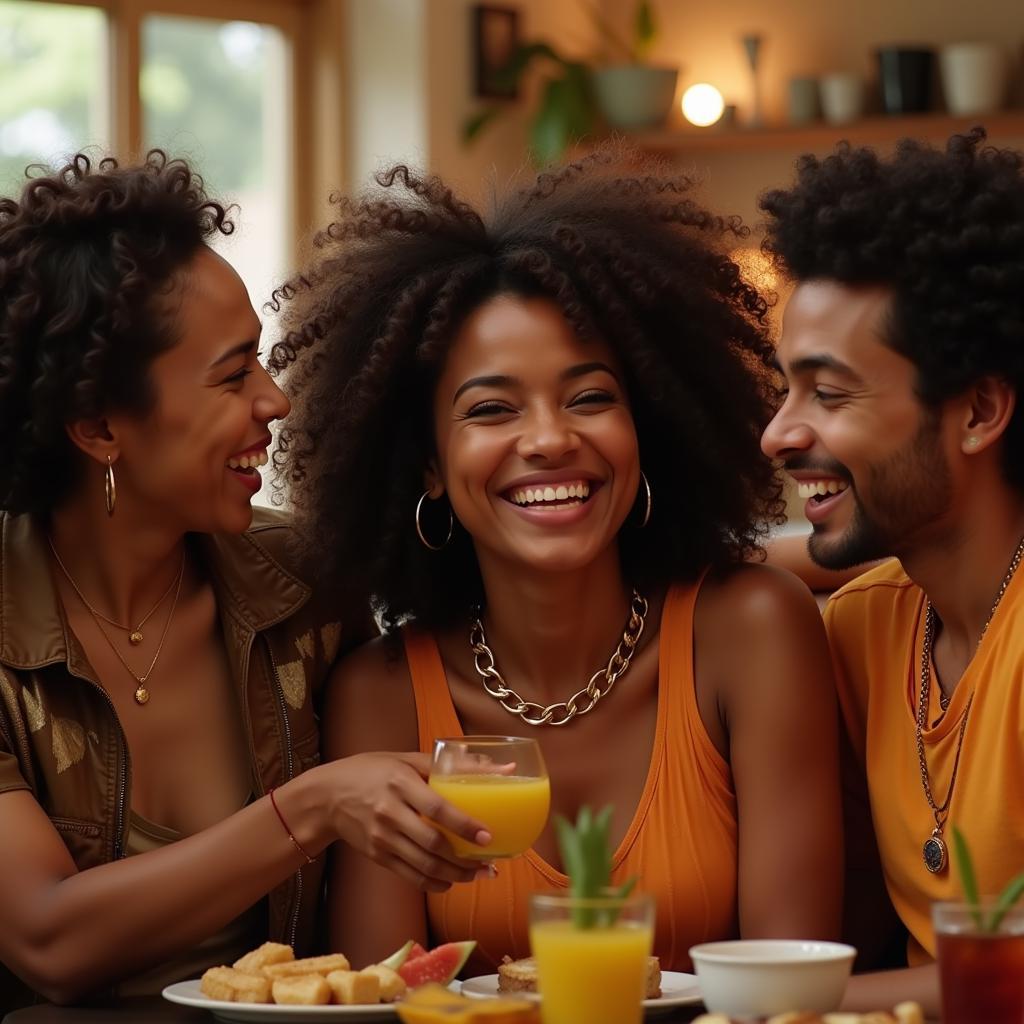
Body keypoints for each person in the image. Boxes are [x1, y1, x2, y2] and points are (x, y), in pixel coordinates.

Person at [271, 148, 844, 975]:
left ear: (647, 427)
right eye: (492, 409)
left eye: (590, 398)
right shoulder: (381, 695)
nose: (548, 440)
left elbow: (788, 990)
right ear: (426, 464)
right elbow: (384, 998)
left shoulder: (752, 630)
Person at [0, 152, 496, 1010]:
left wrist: (790, 559)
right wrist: (310, 809)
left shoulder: (308, 578)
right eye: (233, 376)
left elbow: (521, 576)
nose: (276, 402)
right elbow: (47, 937)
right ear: (97, 427)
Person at [760, 127, 1024, 1017]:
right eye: (786, 389)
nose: (780, 434)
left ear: (980, 410)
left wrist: (761, 1000)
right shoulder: (866, 627)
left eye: (828, 394)